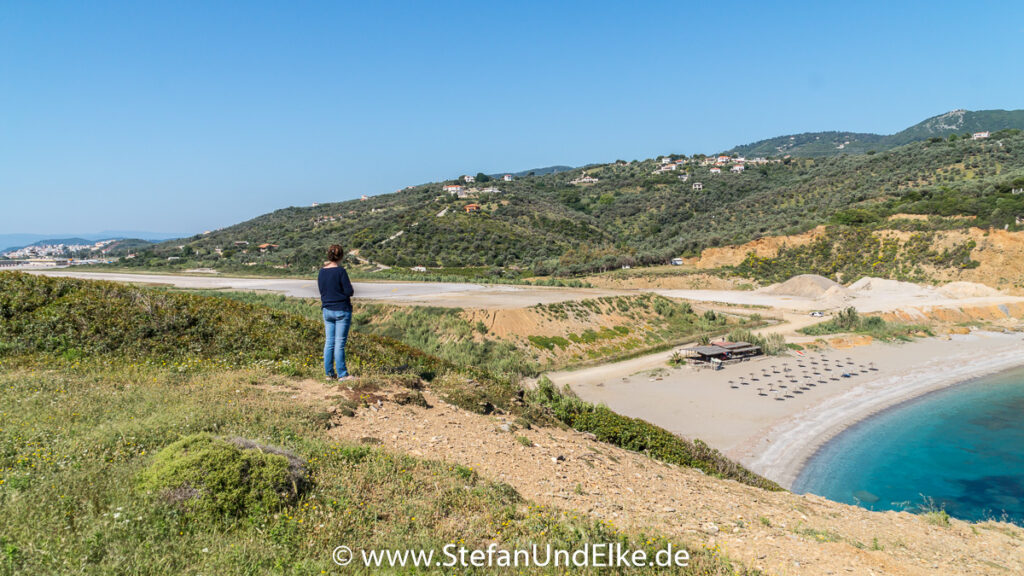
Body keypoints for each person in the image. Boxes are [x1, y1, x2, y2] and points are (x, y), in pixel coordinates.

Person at [318, 244, 355, 380]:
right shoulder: (341, 271)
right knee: (340, 343)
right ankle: (342, 374)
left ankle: (329, 373)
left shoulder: (322, 271)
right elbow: (349, 291)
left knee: (329, 342)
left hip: (327, 309)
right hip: (341, 310)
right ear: (341, 256)